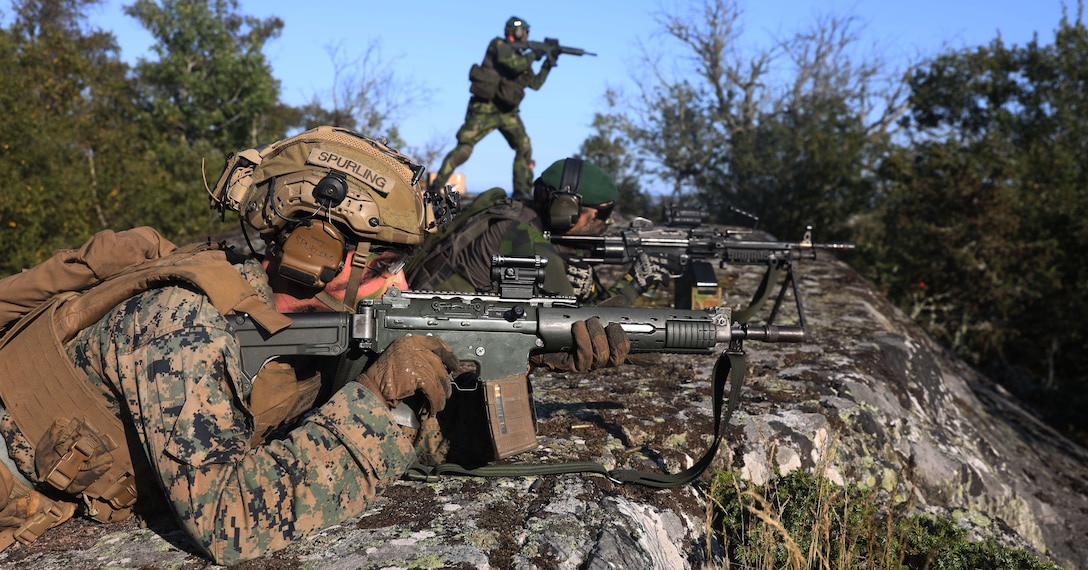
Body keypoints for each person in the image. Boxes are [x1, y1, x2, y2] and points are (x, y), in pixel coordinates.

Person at [0, 127, 628, 564]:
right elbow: (228, 523)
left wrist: (518, 356)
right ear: (314, 252)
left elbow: (402, 441)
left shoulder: (309, 322)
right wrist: (374, 398)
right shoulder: (185, 324)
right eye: (383, 264)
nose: (399, 284)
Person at [409, 157, 670, 305]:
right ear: (567, 209)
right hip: (431, 332)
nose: (609, 221)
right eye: (602, 214)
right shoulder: (526, 239)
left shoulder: (517, 213)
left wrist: (589, 288)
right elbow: (583, 329)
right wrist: (634, 284)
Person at [429, 16, 552, 199]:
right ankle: (435, 187)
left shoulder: (522, 58)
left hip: (507, 112)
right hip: (484, 108)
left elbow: (535, 84)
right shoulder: (498, 45)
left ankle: (521, 191)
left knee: (524, 146)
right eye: (524, 32)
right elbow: (512, 65)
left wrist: (548, 64)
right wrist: (534, 54)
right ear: (516, 32)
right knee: (464, 148)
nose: (526, 36)